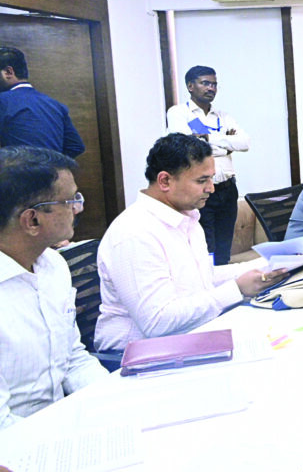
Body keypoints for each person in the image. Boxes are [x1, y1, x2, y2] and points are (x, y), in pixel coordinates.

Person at [95, 134, 286, 351]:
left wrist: (271, 264)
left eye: (211, 179)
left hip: (190, 337)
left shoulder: (187, 217)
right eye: (202, 181)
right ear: (165, 181)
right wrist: (237, 289)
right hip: (139, 354)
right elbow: (157, 322)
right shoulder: (134, 232)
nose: (211, 188)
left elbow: (202, 278)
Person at [0, 146, 107, 429]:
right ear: (32, 220)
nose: (77, 208)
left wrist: (111, 401)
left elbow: (73, 359)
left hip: (64, 422)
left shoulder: (54, 265)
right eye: (70, 200)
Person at [166, 65, 250, 265]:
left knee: (224, 247)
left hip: (227, 189)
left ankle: (223, 282)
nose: (211, 88)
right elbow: (188, 147)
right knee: (205, 247)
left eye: (214, 84)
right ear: (190, 86)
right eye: (205, 83)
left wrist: (208, 138)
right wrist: (226, 147)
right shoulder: (180, 113)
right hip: (201, 191)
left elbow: (245, 143)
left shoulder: (223, 117)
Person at [0, 46, 85, 158]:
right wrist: (48, 162)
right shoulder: (55, 104)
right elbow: (75, 146)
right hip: (54, 168)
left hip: (18, 168)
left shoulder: (3, 101)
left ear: (8, 72)